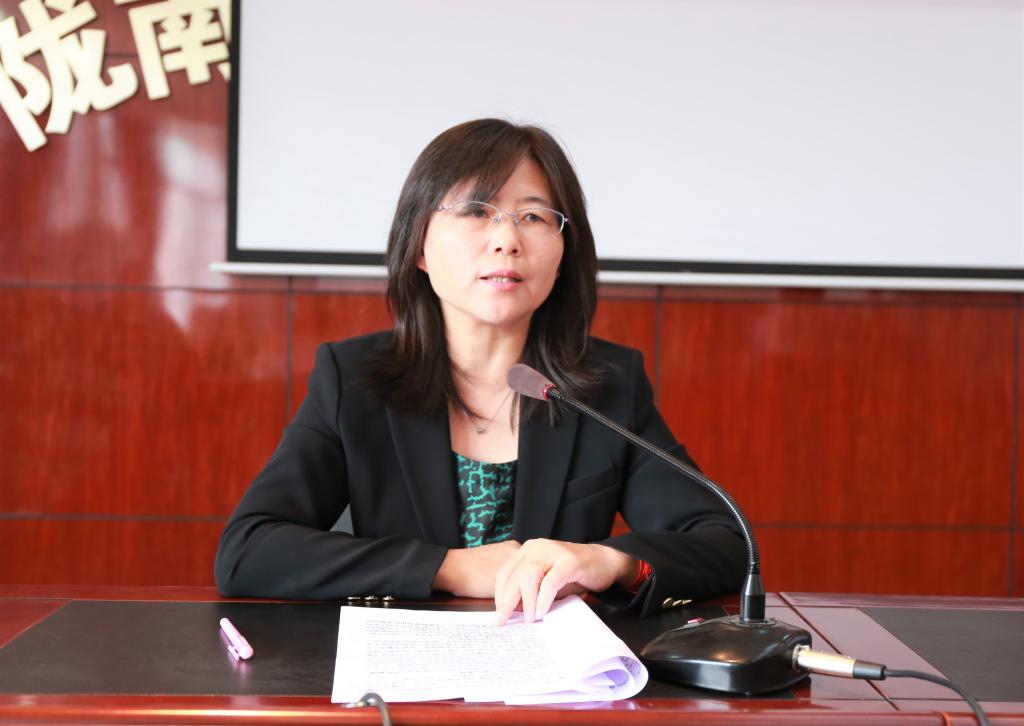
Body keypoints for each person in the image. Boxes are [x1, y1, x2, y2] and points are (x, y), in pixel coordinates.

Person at [214, 118, 745, 623]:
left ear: (563, 253)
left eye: (534, 217)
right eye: (476, 210)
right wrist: (447, 567)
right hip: (403, 671)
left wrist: (606, 561)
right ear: (419, 246)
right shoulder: (351, 380)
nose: (507, 239)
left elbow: (724, 541)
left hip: (552, 674)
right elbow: (247, 550)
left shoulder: (607, 384)